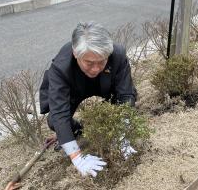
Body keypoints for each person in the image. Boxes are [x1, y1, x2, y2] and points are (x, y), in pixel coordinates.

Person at [39, 22, 137, 177]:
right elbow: (59, 115)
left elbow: (126, 95)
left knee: (121, 107)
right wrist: (77, 157)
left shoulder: (117, 55)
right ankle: (79, 129)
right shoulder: (61, 67)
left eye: (101, 61)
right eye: (89, 63)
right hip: (74, 87)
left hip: (106, 84)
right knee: (54, 122)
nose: (96, 68)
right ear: (75, 54)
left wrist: (122, 134)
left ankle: (110, 126)